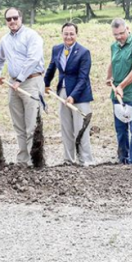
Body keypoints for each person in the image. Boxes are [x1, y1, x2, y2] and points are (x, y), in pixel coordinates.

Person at [0, 8, 45, 166]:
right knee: (19, 125)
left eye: (15, 18)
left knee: (32, 124)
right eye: (9, 19)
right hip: (13, 84)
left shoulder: (32, 35)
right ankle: (23, 160)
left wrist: (20, 79)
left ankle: (35, 160)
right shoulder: (5, 40)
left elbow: (33, 59)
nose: (12, 21)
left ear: (20, 18)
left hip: (31, 82)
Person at [45, 22, 95, 165]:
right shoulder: (57, 49)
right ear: (62, 34)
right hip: (62, 93)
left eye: (71, 34)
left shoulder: (84, 52)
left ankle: (85, 160)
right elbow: (51, 68)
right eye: (66, 34)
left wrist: (73, 96)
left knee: (81, 128)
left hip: (80, 95)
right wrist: (45, 84)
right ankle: (68, 159)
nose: (68, 36)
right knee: (66, 127)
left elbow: (83, 77)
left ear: (76, 35)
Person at [108, 18, 132, 165]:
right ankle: (122, 157)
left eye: (121, 33)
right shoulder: (114, 46)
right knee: (120, 129)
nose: (119, 37)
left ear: (128, 29)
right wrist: (109, 77)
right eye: (115, 35)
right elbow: (112, 62)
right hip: (118, 95)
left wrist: (122, 86)